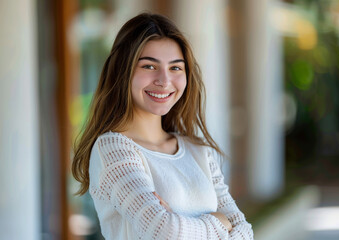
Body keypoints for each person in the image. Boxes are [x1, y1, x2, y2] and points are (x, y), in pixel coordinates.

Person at [72, 13, 254, 240]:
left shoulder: (198, 150)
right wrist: (220, 222)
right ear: (123, 71)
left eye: (175, 68)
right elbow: (165, 232)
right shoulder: (112, 148)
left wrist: (182, 224)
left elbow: (245, 232)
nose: (164, 80)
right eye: (149, 66)